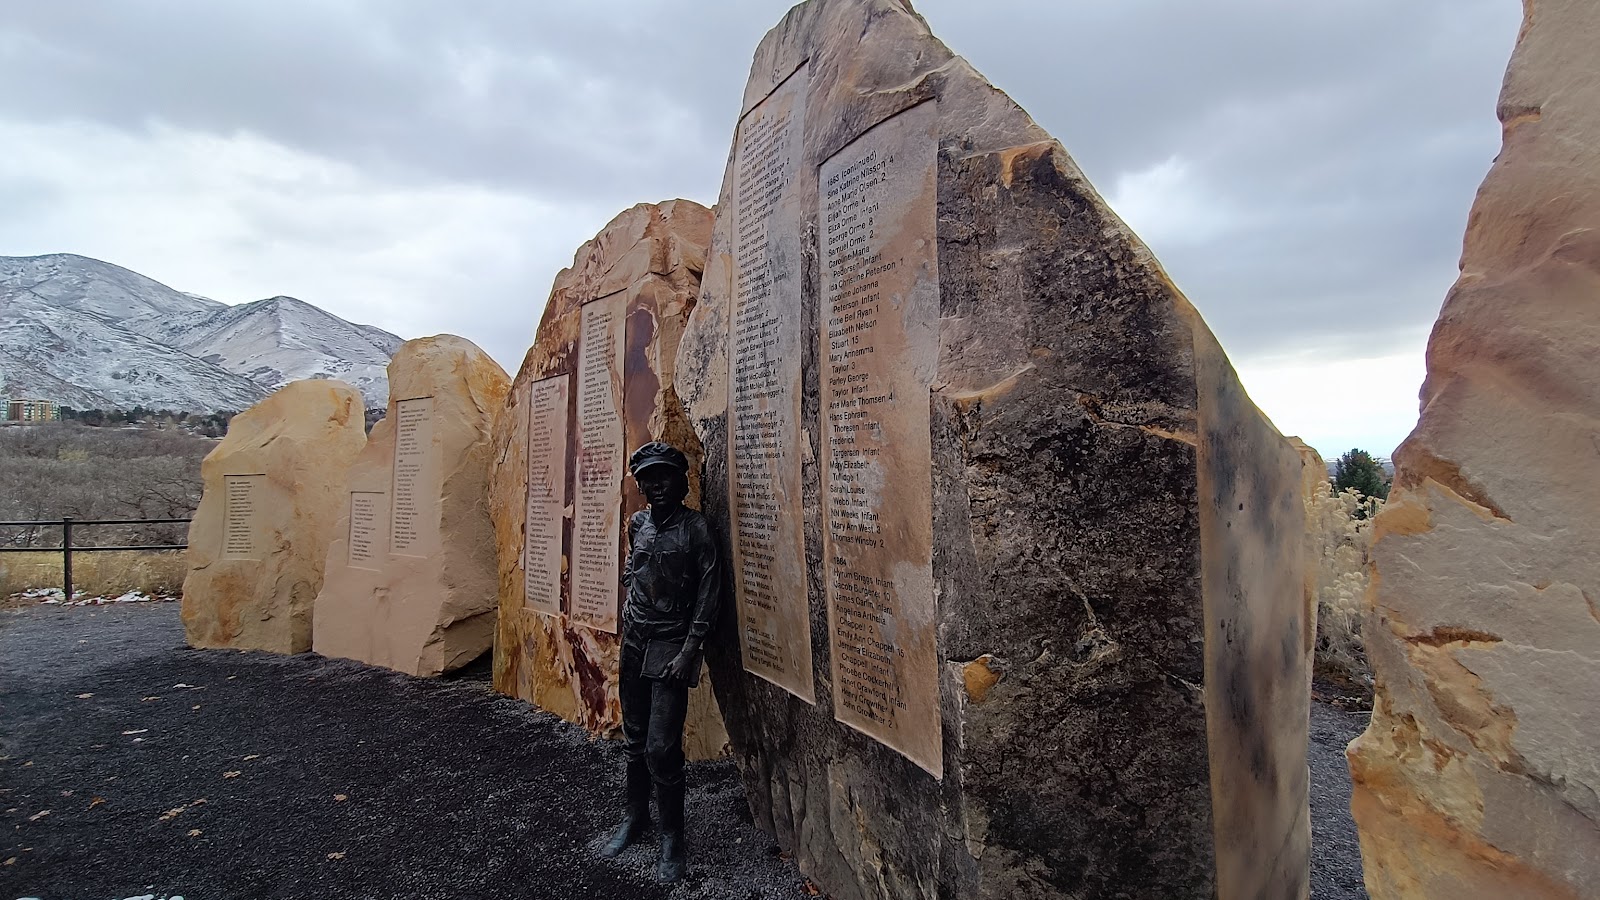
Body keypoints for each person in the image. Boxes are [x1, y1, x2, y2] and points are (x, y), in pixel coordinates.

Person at [598, 440, 719, 883]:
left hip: (671, 644)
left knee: (661, 748)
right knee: (633, 741)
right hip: (635, 639)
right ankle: (636, 817)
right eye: (648, 479)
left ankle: (673, 837)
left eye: (665, 477)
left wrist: (690, 650)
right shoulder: (639, 524)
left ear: (681, 482)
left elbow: (709, 594)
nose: (657, 486)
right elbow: (634, 567)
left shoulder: (696, 529)